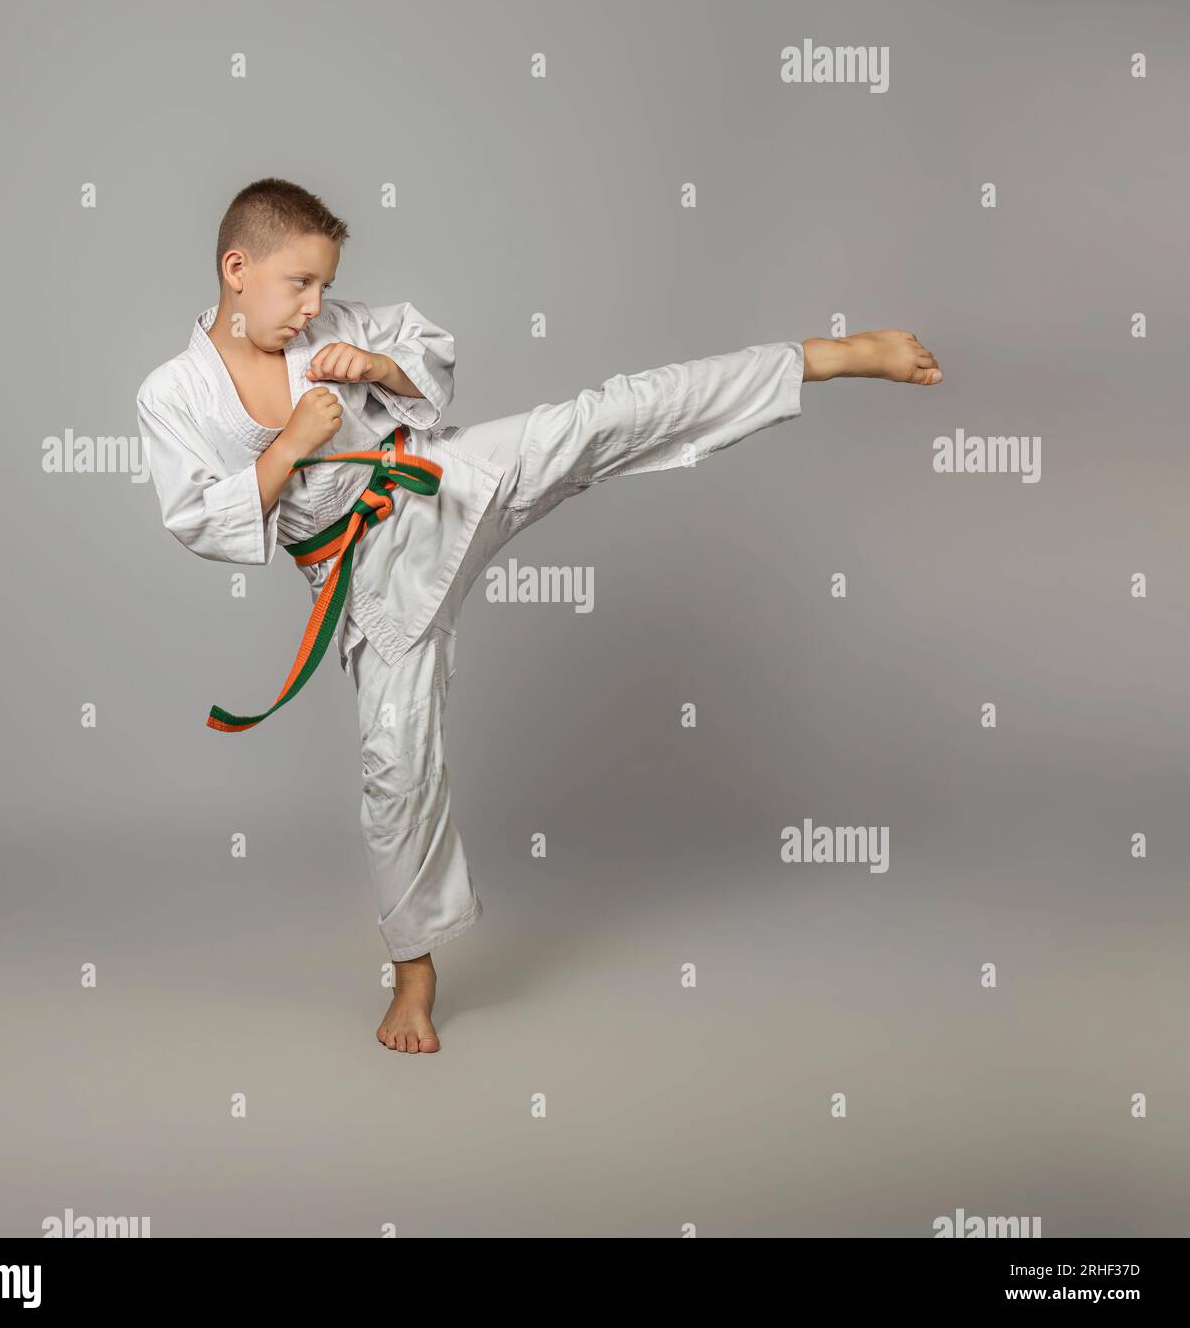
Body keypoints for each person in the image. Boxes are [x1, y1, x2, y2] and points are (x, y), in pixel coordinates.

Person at [136, 178, 943, 1055]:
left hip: (443, 488)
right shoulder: (173, 394)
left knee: (596, 422)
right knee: (394, 768)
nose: (316, 306)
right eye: (300, 285)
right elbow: (198, 521)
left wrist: (377, 368)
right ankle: (415, 976)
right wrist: (290, 445)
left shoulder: (337, 331)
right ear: (236, 268)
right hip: (366, 584)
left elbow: (429, 363)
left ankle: (820, 358)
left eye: (326, 286)